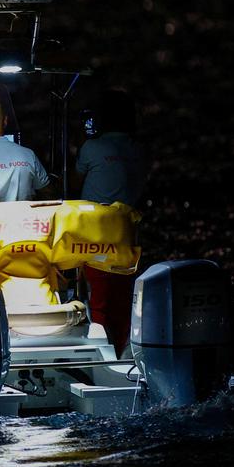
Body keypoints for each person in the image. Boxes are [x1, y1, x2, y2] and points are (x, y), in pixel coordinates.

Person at [72, 89, 151, 353]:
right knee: (123, 297)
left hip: (96, 234)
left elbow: (76, 182)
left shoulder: (92, 147)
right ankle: (123, 348)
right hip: (128, 233)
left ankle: (103, 353)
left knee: (98, 299)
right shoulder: (139, 149)